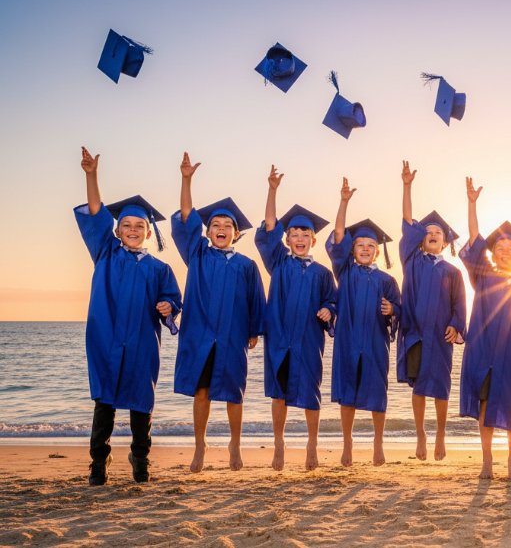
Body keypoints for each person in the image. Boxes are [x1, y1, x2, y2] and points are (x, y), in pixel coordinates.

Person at [75, 147, 182, 484]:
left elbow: (172, 301)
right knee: (104, 404)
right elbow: (95, 215)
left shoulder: (160, 268)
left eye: (140, 225)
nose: (133, 229)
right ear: (117, 231)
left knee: (141, 407)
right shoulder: (105, 253)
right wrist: (91, 176)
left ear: (149, 232)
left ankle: (140, 459)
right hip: (106, 340)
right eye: (126, 225)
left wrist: (168, 308)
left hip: (141, 344)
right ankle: (98, 463)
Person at [172, 152, 265, 473]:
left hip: (232, 336)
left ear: (236, 233)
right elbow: (185, 219)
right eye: (215, 224)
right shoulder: (197, 253)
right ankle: (200, 445)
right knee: (202, 391)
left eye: (228, 225)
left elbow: (257, 299)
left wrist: (254, 331)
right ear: (208, 232)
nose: (221, 228)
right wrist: (186, 180)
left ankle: (235, 445)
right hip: (199, 334)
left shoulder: (247, 265)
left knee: (234, 393)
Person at [254, 165, 337, 471]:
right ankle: (279, 443)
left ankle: (312, 444)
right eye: (294, 233)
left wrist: (329, 310)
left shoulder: (322, 273)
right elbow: (267, 230)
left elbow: (333, 301)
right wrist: (272, 190)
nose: (300, 237)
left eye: (306, 234)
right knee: (279, 393)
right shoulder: (277, 262)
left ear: (314, 241)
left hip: (309, 340)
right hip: (279, 339)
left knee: (311, 394)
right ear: (286, 239)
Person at [459, 176, 511, 479]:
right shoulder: (483, 277)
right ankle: (487, 461)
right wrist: (472, 204)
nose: (505, 251)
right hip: (481, 350)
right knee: (484, 403)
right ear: (494, 253)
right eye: (500, 247)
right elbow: (475, 241)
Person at [326, 177, 401, 467]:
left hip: (374, 343)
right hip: (347, 341)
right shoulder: (344, 271)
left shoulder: (387, 280)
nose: (366, 249)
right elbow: (338, 237)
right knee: (348, 393)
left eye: (371, 245)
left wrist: (391, 309)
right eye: (360, 244)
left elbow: (401, 310)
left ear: (378, 250)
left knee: (377, 392)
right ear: (352, 249)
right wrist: (344, 202)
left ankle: (378, 443)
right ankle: (347, 444)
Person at [397, 161, 467, 461]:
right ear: (420, 240)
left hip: (440, 336)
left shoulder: (453, 271)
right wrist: (407, 186)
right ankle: (421, 434)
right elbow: (408, 221)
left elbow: (460, 304)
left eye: (439, 231)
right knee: (418, 387)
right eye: (428, 231)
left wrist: (457, 325)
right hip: (415, 334)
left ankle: (439, 433)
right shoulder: (412, 262)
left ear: (446, 240)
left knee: (440, 387)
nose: (433, 233)